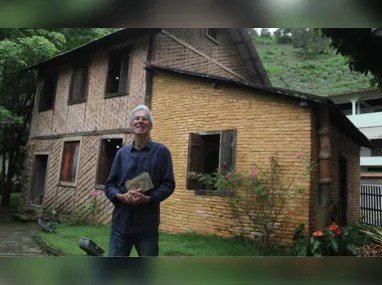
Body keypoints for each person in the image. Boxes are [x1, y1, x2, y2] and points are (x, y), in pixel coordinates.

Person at [104, 105, 175, 257]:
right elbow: (110, 185)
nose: (140, 121)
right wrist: (120, 196)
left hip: (147, 225)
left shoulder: (162, 151)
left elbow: (168, 184)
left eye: (144, 119)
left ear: (150, 125)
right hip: (121, 223)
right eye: (137, 118)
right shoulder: (122, 154)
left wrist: (148, 198)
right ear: (131, 124)